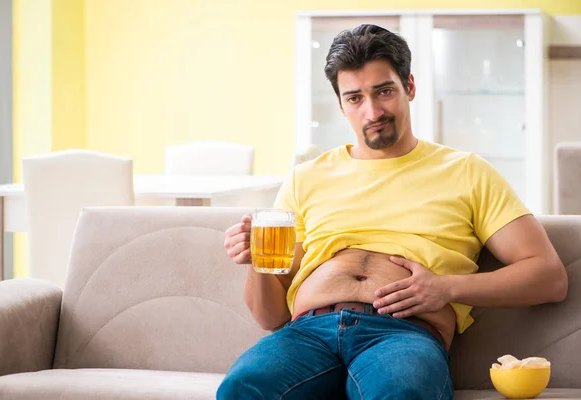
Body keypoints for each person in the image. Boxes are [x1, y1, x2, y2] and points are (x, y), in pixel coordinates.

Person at [217, 24, 568, 400]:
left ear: (409, 87)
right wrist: (257, 261)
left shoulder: (467, 171)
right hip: (306, 332)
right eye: (354, 98)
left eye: (383, 91)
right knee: (241, 389)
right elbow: (270, 317)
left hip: (404, 334)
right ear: (341, 105)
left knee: (400, 393)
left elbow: (549, 277)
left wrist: (444, 288)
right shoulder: (306, 178)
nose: (372, 111)